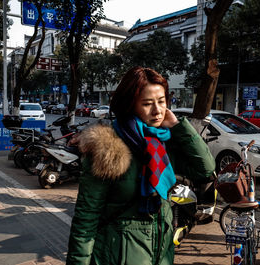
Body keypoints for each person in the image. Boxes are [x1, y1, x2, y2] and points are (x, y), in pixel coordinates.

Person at [66, 66, 215, 265]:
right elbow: (86, 218)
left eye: (162, 102)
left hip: (161, 253)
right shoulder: (108, 147)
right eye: (147, 104)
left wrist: (179, 127)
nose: (157, 111)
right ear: (130, 105)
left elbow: (204, 169)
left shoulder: (165, 142)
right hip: (119, 255)